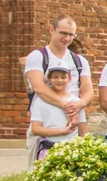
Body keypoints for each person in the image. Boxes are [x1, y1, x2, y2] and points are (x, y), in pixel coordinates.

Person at [24, 14, 93, 167]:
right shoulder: (38, 56)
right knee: (38, 176)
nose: (67, 38)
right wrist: (68, 106)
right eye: (63, 33)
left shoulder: (80, 61)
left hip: (73, 126)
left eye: (71, 34)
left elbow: (88, 92)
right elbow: (39, 88)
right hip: (45, 125)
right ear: (52, 30)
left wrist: (79, 104)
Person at [30, 66, 88, 160]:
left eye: (63, 77)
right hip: (48, 149)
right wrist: (62, 131)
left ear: (69, 78)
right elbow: (36, 129)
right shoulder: (40, 102)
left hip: (71, 150)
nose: (59, 80)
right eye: (55, 77)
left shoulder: (76, 102)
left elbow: (83, 131)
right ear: (49, 78)